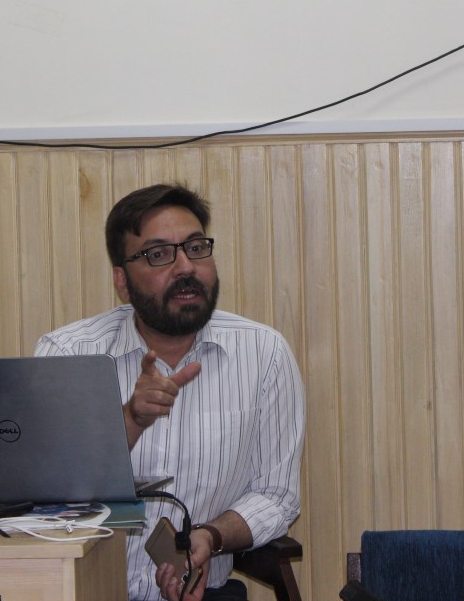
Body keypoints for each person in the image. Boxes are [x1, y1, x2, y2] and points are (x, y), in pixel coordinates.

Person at [34, 183, 305, 601]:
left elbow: (276, 496)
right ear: (122, 282)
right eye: (158, 254)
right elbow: (43, 496)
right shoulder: (67, 354)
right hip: (87, 593)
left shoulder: (263, 353)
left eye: (196, 248)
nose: (185, 267)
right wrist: (130, 420)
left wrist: (210, 537)